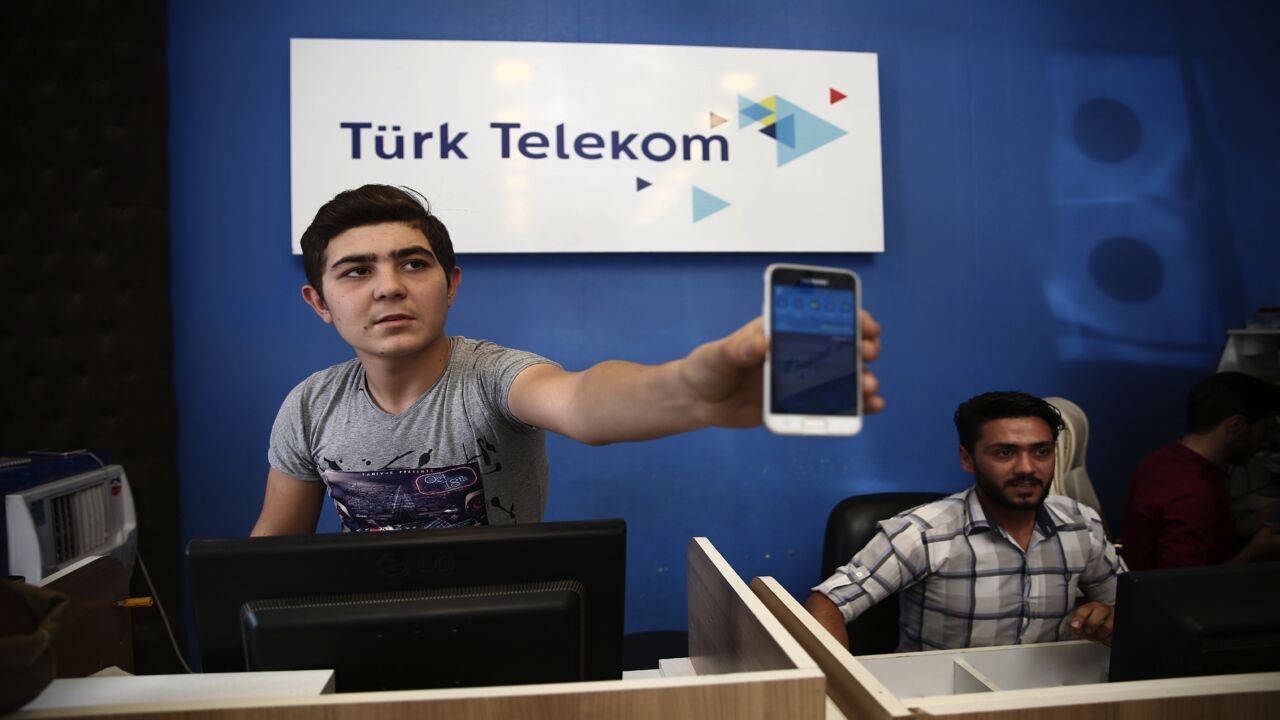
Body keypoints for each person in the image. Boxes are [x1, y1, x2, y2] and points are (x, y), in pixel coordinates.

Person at [252, 184, 884, 535]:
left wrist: (692, 389)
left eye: (413, 264)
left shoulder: (493, 376)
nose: (389, 286)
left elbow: (582, 401)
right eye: (357, 271)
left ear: (451, 283)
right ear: (320, 302)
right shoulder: (310, 406)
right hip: (359, 645)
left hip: (510, 639)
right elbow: (269, 561)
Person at [804, 391, 1119, 651]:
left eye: (1041, 451)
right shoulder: (925, 533)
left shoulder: (1081, 525)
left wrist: (1106, 617)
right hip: (941, 700)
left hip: (1049, 695)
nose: (1027, 468)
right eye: (1005, 453)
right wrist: (839, 687)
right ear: (967, 459)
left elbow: (1130, 609)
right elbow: (825, 604)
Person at [1120, 372, 1280, 570]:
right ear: (1235, 426)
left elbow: (1209, 537)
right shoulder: (1191, 490)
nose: (1265, 442)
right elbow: (1183, 587)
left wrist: (1263, 517)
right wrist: (1255, 552)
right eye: (1264, 430)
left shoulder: (1165, 459)